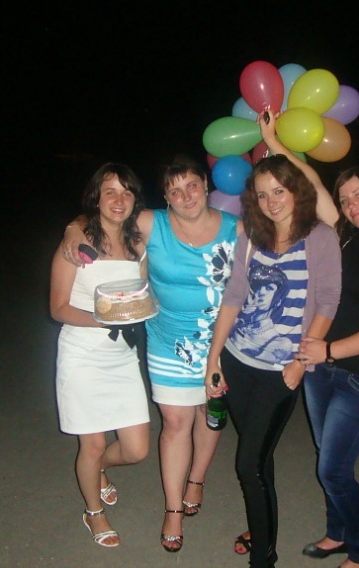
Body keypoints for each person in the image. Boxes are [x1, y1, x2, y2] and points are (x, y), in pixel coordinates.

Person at [260, 113, 359, 568]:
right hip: (322, 371)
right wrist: (273, 140)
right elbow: (311, 179)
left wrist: (327, 350)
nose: (352, 204)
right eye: (346, 198)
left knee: (334, 469)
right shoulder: (344, 235)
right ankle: (337, 533)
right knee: (326, 459)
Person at [61, 155, 242, 552]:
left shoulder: (237, 228)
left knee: (208, 414)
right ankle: (173, 510)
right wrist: (72, 229)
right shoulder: (151, 223)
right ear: (165, 198)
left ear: (206, 185)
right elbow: (104, 218)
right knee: (176, 421)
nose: (186, 196)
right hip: (167, 339)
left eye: (192, 186)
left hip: (221, 339)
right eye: (175, 191)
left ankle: (196, 479)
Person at [205, 154, 342, 568]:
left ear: (295, 190)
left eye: (278, 191)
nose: (271, 202)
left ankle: (263, 559)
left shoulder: (319, 237)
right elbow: (234, 296)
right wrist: (214, 358)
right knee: (260, 462)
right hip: (237, 360)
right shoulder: (253, 236)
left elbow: (327, 302)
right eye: (262, 195)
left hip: (280, 371)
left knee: (248, 464)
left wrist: (300, 363)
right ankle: (262, 531)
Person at [49, 163, 152, 548]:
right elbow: (58, 308)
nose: (119, 199)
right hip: (82, 355)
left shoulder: (138, 245)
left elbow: (141, 295)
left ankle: (98, 470)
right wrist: (103, 319)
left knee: (137, 449)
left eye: (127, 192)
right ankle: (94, 513)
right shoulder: (76, 246)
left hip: (122, 357)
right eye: (110, 191)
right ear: (96, 197)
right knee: (90, 445)